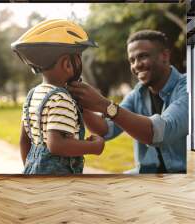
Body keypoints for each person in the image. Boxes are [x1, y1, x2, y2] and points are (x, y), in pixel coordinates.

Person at [68, 30, 188, 174]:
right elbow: (106, 129)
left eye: (143, 56)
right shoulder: (138, 93)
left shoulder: (187, 87)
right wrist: (82, 105)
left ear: (165, 55)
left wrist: (103, 105)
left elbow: (160, 132)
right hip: (146, 173)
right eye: (132, 60)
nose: (136, 65)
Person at [11, 19, 105, 174]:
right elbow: (57, 145)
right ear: (67, 65)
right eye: (79, 57)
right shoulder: (61, 99)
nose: (80, 62)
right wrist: (95, 147)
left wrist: (30, 169)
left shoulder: (33, 94)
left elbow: (24, 140)